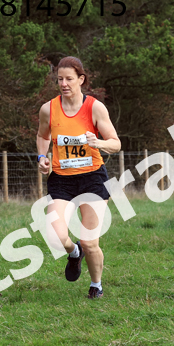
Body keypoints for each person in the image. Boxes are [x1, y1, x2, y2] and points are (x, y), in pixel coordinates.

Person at [36, 56, 121, 299]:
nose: (63, 83)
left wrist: (99, 142)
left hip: (92, 178)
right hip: (62, 179)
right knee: (55, 236)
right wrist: (42, 156)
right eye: (59, 79)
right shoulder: (48, 109)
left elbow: (116, 144)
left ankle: (96, 285)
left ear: (81, 80)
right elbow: (42, 135)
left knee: (90, 242)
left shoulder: (94, 107)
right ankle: (73, 253)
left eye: (69, 79)